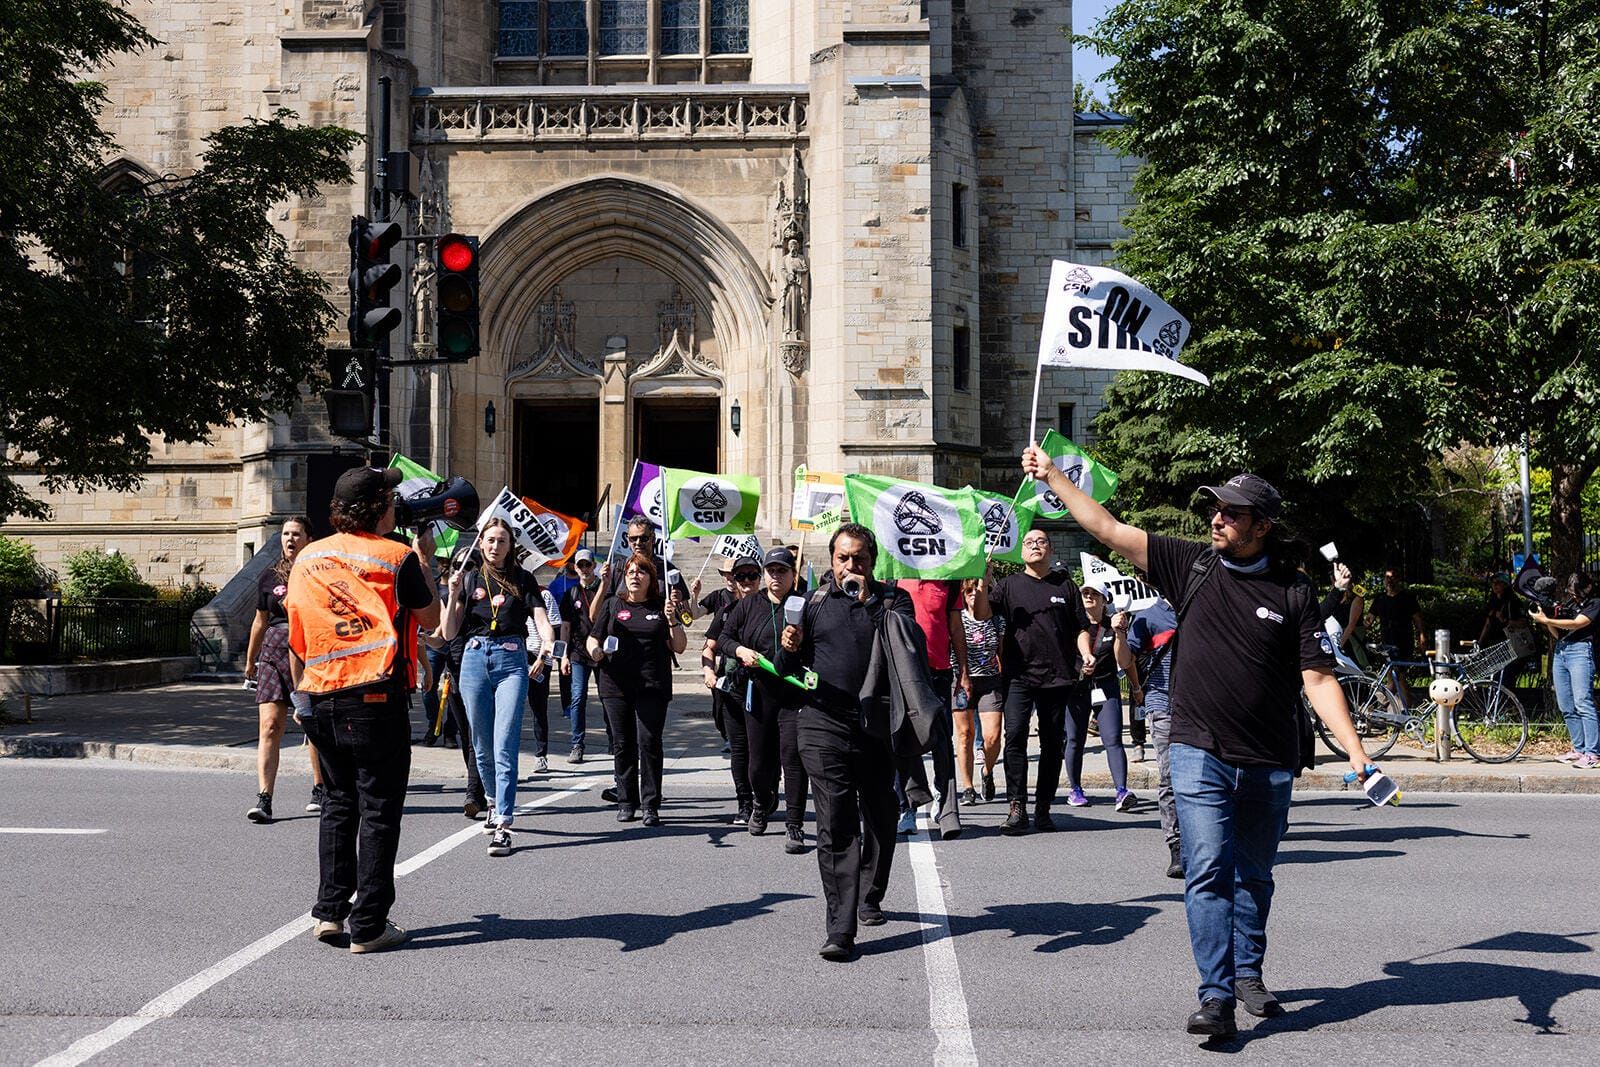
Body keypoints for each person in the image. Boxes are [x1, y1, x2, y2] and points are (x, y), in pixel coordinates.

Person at [1022, 450, 1374, 1039]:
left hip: (1268, 758)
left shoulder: (1293, 591)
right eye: (1214, 508)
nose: (1216, 518)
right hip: (1197, 748)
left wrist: (1358, 755)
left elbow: (1317, 678)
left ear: (1262, 525)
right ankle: (1216, 995)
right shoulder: (1190, 564)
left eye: (1232, 513)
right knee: (1207, 867)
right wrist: (1053, 477)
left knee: (1255, 876)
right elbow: (1106, 527)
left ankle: (1247, 971)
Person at [285, 466, 439, 955]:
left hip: (319, 694)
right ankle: (369, 924)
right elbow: (432, 620)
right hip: (375, 696)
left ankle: (329, 912)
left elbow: (297, 632)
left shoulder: (308, 557)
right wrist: (424, 560)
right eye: (391, 498)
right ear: (379, 507)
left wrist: (300, 694)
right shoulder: (396, 557)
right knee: (378, 810)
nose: (396, 505)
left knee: (337, 804)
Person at [776, 523, 912, 961]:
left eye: (859, 558)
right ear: (831, 559)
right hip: (821, 723)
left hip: (877, 726)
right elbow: (786, 669)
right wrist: (788, 648)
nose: (850, 566)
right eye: (843, 558)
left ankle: (870, 894)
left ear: (872, 562)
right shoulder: (812, 603)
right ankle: (840, 928)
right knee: (835, 823)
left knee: (880, 816)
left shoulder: (893, 601)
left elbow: (909, 647)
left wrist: (868, 602)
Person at [439, 518, 556, 858]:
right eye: (489, 540)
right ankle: (491, 799)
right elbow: (448, 632)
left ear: (511, 545)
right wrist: (452, 591)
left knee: (505, 743)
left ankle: (504, 824)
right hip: (475, 658)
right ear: (481, 543)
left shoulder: (523, 578)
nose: (494, 546)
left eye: (501, 541)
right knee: (480, 743)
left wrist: (547, 643)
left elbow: (540, 618)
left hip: (511, 660)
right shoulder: (471, 578)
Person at [969, 534, 1093, 835]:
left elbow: (1081, 628)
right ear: (1021, 551)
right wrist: (984, 583)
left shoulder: (1065, 585)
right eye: (1028, 542)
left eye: (1041, 541)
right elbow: (981, 613)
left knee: (1052, 744)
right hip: (1018, 676)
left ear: (1049, 549)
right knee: (1015, 739)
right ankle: (1017, 807)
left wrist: (1087, 652)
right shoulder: (1009, 585)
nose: (1035, 545)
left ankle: (1043, 808)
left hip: (1058, 676)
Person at [588, 553, 688, 825]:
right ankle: (626, 800)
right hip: (615, 684)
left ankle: (651, 804)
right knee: (623, 744)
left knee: (649, 743)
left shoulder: (661, 606)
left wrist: (672, 620)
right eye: (630, 571)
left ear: (650, 579)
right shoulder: (612, 604)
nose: (635, 576)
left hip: (652, 685)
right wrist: (595, 651)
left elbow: (679, 646)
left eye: (641, 572)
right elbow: (593, 637)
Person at [721, 547, 810, 851]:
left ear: (792, 574)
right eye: (771, 571)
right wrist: (740, 651)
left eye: (782, 570)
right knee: (758, 764)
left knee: (793, 758)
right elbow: (723, 638)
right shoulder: (748, 605)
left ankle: (795, 824)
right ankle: (762, 802)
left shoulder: (803, 603)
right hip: (758, 692)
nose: (775, 576)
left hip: (792, 693)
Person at [243, 516, 325, 822]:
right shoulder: (269, 576)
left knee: (311, 725)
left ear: (308, 539)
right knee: (270, 726)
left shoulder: (317, 573)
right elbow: (260, 620)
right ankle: (264, 798)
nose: (290, 539)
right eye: (286, 534)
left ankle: (320, 787)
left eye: (296, 534)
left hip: (308, 652)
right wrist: (251, 660)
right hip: (274, 652)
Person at [892, 579, 968, 838]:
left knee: (942, 741)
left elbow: (956, 629)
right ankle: (906, 808)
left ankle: (945, 802)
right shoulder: (894, 578)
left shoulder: (949, 582)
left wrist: (964, 672)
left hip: (938, 672)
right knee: (903, 741)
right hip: (902, 672)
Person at [1117, 592, 1183, 878]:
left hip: (1204, 707)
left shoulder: (1201, 604)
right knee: (1170, 776)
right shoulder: (1149, 616)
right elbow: (1124, 660)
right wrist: (1119, 632)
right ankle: (1177, 846)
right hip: (1163, 705)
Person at [703, 556, 762, 823]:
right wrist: (708, 671)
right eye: (741, 577)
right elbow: (710, 647)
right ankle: (745, 803)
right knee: (739, 749)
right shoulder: (728, 612)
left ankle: (765, 794)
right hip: (733, 688)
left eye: (752, 575)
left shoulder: (772, 608)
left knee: (764, 749)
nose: (747, 581)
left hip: (766, 691)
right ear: (734, 581)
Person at [1070, 580, 1135, 812]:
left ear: (1104, 599)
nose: (1088, 596)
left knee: (1113, 738)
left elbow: (1125, 661)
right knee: (1075, 740)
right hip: (1077, 687)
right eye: (1085, 592)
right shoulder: (1073, 624)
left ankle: (1121, 791)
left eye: (1094, 593)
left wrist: (1120, 634)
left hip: (1105, 686)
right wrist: (1079, 671)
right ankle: (1075, 789)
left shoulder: (1113, 624)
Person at [1532, 571, 1599, 768]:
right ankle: (1579, 749)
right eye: (1572, 592)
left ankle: (1593, 753)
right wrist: (1545, 617)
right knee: (1566, 705)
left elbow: (1577, 624)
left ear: (1588, 588)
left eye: (1577, 592)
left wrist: (1547, 621)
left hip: (1581, 651)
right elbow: (1559, 633)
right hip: (1562, 651)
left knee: (1583, 702)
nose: (1574, 596)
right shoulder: (1570, 603)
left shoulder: (1595, 603)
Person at [955, 575, 1004, 805]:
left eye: (978, 589)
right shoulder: (956, 618)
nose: (974, 594)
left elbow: (1002, 653)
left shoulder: (997, 620)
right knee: (965, 735)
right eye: (969, 591)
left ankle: (987, 771)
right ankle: (967, 786)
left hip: (990, 680)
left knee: (992, 737)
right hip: (962, 681)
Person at [558, 548, 603, 765]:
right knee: (578, 697)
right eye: (580, 565)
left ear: (594, 566)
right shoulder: (570, 594)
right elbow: (565, 627)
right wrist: (563, 656)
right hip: (578, 651)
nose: (584, 569)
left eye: (588, 564)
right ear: (574, 568)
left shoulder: (604, 590)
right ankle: (577, 744)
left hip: (602, 651)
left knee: (608, 697)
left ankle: (615, 739)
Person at [525, 579, 566, 774]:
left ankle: (541, 754)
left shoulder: (545, 595)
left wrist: (541, 659)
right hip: (515, 655)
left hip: (540, 656)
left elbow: (553, 629)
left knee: (538, 707)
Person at [1370, 566, 1425, 658]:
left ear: (1398, 579)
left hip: (1404, 640)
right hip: (1386, 640)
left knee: (1401, 668)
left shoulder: (1408, 598)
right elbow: (1369, 619)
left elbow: (1418, 619)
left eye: (1392, 577)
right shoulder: (1380, 598)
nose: (1389, 580)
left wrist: (1422, 636)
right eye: (1387, 577)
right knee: (1390, 668)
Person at [1319, 561, 1365, 659]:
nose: (1333, 580)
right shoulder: (1336, 595)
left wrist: (1339, 645)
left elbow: (1351, 625)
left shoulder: (1357, 596)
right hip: (1337, 636)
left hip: (1351, 639)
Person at [1477, 572, 1515, 648]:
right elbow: (1488, 623)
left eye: (1497, 583)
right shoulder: (1493, 601)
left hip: (1508, 643)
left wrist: (1504, 620)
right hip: (1492, 643)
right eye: (1493, 583)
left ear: (1505, 585)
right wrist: (1479, 643)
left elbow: (1522, 623)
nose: (1494, 585)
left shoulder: (1513, 602)